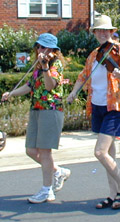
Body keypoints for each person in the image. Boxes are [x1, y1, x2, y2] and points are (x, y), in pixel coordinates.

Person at [67, 15, 120, 209]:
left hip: (114, 106)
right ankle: (113, 194)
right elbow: (83, 76)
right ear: (95, 33)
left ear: (112, 32)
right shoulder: (94, 54)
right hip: (98, 105)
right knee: (109, 154)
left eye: (106, 30)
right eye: (99, 30)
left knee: (100, 152)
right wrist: (73, 92)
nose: (103, 33)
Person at [1, 33, 70, 203]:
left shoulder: (56, 65)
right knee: (30, 150)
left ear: (53, 50)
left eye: (44, 47)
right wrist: (11, 94)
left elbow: (49, 85)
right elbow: (29, 86)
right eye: (39, 47)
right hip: (37, 109)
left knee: (45, 152)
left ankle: (47, 190)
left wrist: (46, 67)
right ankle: (57, 171)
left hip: (50, 110)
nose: (40, 50)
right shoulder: (37, 66)